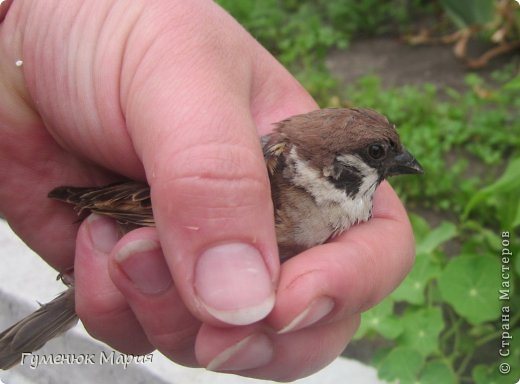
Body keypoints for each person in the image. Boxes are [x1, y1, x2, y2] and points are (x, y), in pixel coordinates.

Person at [0, 0, 415, 380]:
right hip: (140, 231)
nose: (399, 163)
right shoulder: (286, 192)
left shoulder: (318, 194)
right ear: (333, 168)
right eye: (378, 154)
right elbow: (157, 204)